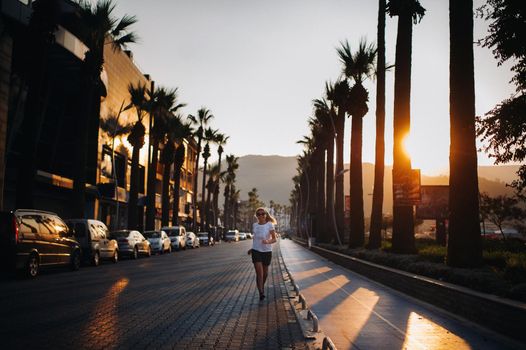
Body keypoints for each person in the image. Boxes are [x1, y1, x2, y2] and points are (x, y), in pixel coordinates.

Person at [249, 207, 277, 301]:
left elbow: (274, 239)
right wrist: (251, 248)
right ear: (256, 216)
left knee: (265, 274)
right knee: (259, 273)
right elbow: (255, 239)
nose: (261, 215)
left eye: (263, 213)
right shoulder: (255, 225)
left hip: (267, 251)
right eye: (259, 214)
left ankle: (261, 286)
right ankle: (261, 292)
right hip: (256, 251)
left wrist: (268, 241)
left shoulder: (269, 225)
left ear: (266, 215)